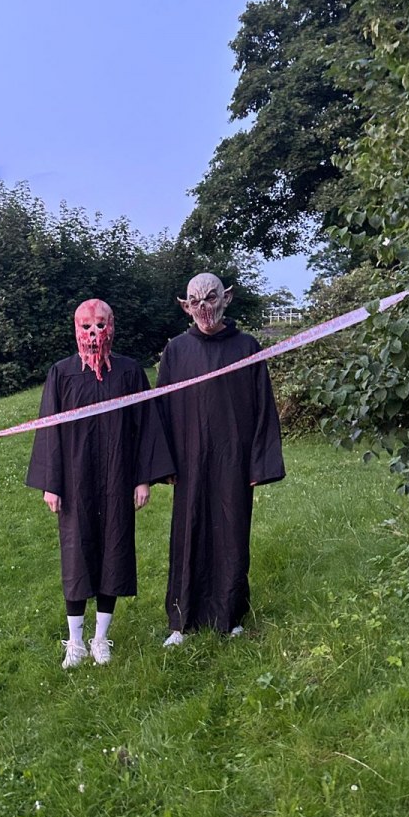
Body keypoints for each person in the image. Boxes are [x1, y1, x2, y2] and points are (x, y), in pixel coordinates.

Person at [26, 298, 174, 668]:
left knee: (114, 550)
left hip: (117, 477)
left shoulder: (129, 372)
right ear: (76, 329)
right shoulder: (61, 374)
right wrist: (51, 483)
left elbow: (145, 426)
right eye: (87, 327)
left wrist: (143, 479)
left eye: (101, 325)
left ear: (112, 326)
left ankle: (100, 638)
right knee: (76, 554)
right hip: (74, 481)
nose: (94, 334)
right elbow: (49, 430)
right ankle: (75, 641)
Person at [156, 272, 285, 645]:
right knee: (187, 533)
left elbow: (263, 405)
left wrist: (259, 462)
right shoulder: (176, 351)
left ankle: (229, 616)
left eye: (210, 298)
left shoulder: (247, 347)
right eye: (195, 301)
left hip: (234, 459)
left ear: (226, 298)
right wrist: (165, 464)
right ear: (186, 307)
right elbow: (160, 409)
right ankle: (182, 621)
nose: (203, 308)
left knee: (231, 532)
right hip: (188, 459)